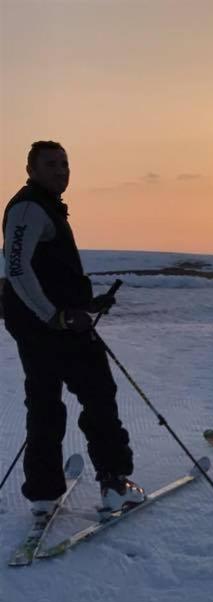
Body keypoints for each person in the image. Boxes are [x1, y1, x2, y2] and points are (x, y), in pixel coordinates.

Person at [2, 140, 142, 515]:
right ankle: (115, 483)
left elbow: (49, 272)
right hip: (49, 326)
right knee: (97, 394)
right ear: (30, 169)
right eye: (51, 164)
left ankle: (45, 492)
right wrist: (55, 315)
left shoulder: (45, 206)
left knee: (46, 402)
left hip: (45, 323)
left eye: (65, 164)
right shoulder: (29, 207)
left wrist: (85, 305)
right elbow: (16, 269)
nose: (61, 171)